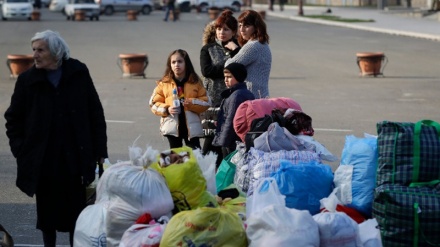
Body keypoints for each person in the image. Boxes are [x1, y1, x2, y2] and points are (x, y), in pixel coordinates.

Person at [4, 30, 108, 247]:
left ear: (55, 51)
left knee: (76, 213)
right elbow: (13, 119)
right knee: (47, 215)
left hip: (75, 158)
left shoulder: (78, 72)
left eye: (40, 50)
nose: (35, 55)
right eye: (34, 50)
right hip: (43, 160)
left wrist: (100, 152)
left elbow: (95, 113)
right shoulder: (27, 80)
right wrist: (21, 150)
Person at [200, 9, 240, 167]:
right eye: (219, 29)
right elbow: (207, 71)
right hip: (212, 101)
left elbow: (240, 72)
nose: (222, 32)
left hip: (231, 100)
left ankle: (222, 180)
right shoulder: (208, 49)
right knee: (210, 141)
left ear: (233, 31)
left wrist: (235, 51)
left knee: (226, 144)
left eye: (226, 29)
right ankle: (203, 174)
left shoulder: (238, 49)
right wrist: (228, 65)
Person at [149, 49, 210, 149]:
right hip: (172, 128)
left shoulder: (195, 82)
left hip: (191, 128)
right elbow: (153, 104)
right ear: (170, 65)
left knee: (195, 155)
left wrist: (191, 103)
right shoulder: (164, 83)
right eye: (173, 62)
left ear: (186, 64)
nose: (177, 65)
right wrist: (167, 109)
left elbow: (206, 102)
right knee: (175, 158)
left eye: (180, 61)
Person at [225, 9, 272, 99]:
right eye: (240, 25)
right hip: (261, 94)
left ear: (256, 27)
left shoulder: (253, 45)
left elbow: (229, 66)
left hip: (251, 96)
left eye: (246, 26)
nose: (242, 29)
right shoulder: (262, 43)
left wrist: (234, 50)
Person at [213, 63, 255, 159]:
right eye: (225, 77)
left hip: (232, 140)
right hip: (240, 138)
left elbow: (230, 119)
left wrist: (223, 141)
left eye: (229, 77)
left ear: (238, 77)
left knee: (230, 168)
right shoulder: (245, 92)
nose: (226, 80)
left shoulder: (236, 96)